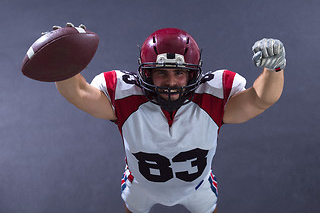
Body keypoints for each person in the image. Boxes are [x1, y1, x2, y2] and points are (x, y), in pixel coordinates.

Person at [55, 25, 286, 213]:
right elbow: (78, 92)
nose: (171, 82)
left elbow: (260, 99)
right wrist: (63, 61)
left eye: (179, 73)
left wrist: (274, 69)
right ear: (146, 74)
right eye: (161, 73)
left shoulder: (211, 96)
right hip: (141, 185)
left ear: (193, 74)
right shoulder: (126, 97)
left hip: (197, 186)